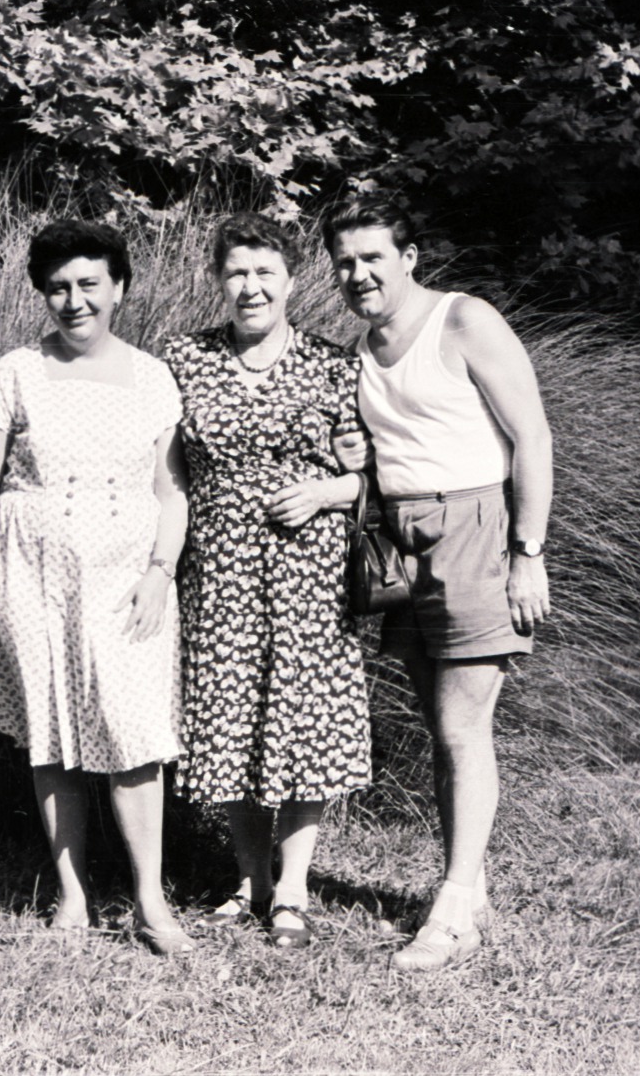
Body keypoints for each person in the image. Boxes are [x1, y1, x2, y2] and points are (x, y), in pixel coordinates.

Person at [321, 195, 553, 972]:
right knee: (440, 726)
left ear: (409, 257)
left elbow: (532, 435)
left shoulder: (463, 319)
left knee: (461, 727)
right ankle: (471, 886)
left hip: (477, 531)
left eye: (372, 259)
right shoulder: (362, 348)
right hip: (401, 541)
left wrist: (528, 551)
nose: (358, 274)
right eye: (345, 263)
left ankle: (451, 911)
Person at [0, 219, 194, 955]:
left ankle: (151, 902)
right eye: (58, 287)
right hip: (28, 574)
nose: (74, 300)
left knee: (134, 736)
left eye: (89, 284)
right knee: (52, 737)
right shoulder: (15, 371)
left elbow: (173, 490)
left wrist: (161, 571)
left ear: (118, 287)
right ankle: (73, 896)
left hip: (127, 579)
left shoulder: (153, 376)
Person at [165, 213, 371, 950]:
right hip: (217, 569)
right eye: (236, 273)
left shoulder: (333, 363)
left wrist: (325, 492)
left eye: (264, 273)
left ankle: (292, 888)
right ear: (218, 280)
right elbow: (168, 474)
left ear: (290, 280)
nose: (250, 287)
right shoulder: (184, 359)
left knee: (305, 718)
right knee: (226, 718)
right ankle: (248, 876)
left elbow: (373, 474)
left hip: (307, 570)